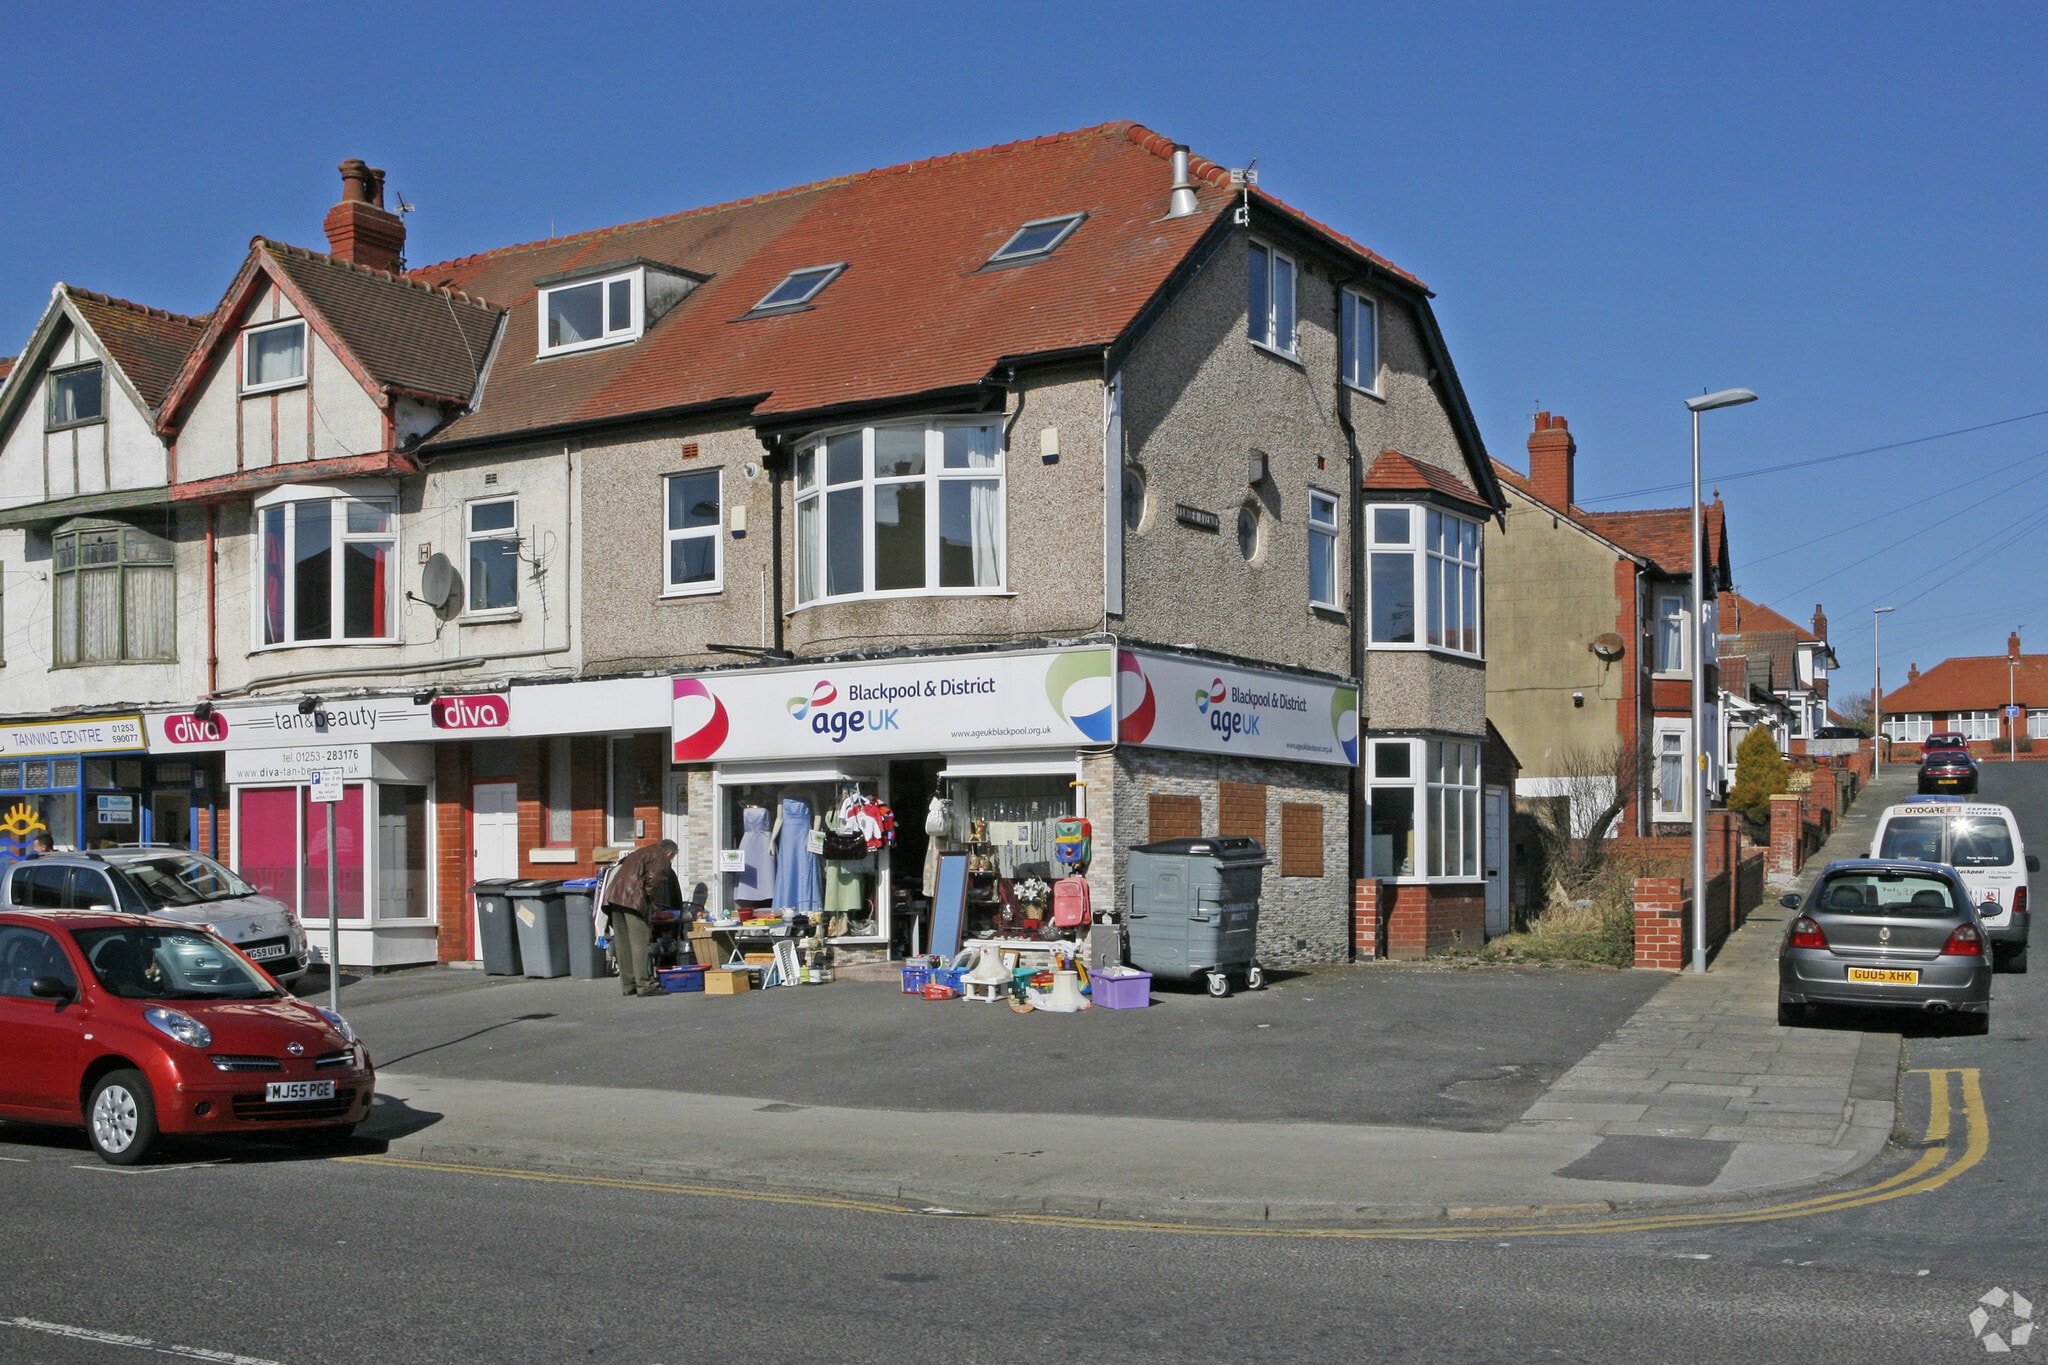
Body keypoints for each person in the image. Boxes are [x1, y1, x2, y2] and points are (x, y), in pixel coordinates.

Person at [603, 839, 678, 998]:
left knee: (623, 943)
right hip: (633, 901)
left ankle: (628, 985)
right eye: (672, 858)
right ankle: (644, 985)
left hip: (615, 898)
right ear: (669, 853)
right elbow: (655, 878)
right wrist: (649, 901)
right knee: (640, 943)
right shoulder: (660, 856)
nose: (670, 861)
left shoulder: (641, 852)